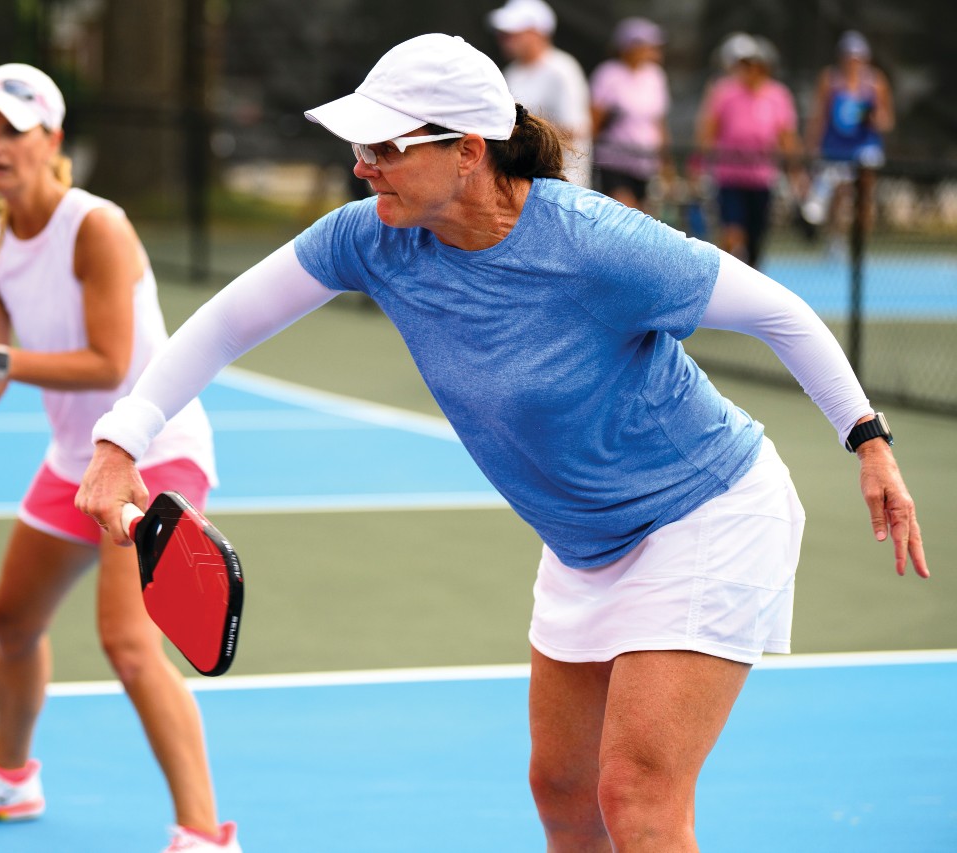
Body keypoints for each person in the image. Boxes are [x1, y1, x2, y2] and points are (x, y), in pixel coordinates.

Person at [74, 34, 928, 850]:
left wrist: (869, 440)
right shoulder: (371, 237)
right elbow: (226, 323)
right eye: (360, 145)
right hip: (583, 543)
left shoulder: (595, 243)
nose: (362, 165)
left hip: (705, 514)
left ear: (469, 151)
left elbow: (780, 312)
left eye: (385, 146)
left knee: (638, 798)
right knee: (563, 796)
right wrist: (121, 441)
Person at [0, 63, 241, 853]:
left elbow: (108, 361)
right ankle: (10, 779)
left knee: (129, 643)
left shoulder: (96, 226)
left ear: (51, 139)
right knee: (11, 618)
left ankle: (206, 835)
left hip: (154, 447)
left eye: (13, 131)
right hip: (73, 458)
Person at [694, 33, 802, 267]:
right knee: (732, 233)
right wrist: (699, 165)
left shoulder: (778, 95)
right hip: (730, 176)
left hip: (761, 178)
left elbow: (786, 137)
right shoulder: (724, 92)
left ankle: (749, 278)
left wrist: (796, 172)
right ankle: (725, 276)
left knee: (756, 239)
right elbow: (708, 131)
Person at [488, 0, 592, 186]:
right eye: (504, 34)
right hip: (525, 181)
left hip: (563, 182)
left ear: (537, 33)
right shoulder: (512, 72)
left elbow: (577, 128)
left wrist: (523, 132)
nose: (505, 39)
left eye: (513, 33)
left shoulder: (563, 70)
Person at [802, 30, 895, 237]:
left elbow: (887, 120)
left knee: (863, 193)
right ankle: (835, 238)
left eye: (857, 58)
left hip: (864, 146)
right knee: (837, 194)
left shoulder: (876, 82)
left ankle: (860, 240)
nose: (853, 62)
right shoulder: (830, 80)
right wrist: (812, 145)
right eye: (848, 57)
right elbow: (819, 117)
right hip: (835, 147)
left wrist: (874, 119)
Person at [590, 17, 674, 213]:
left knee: (644, 216)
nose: (651, 50)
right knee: (625, 212)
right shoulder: (608, 74)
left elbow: (659, 122)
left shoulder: (655, 75)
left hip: (646, 163)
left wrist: (666, 163)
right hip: (614, 161)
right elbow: (595, 120)